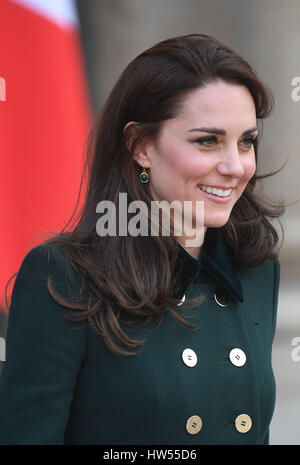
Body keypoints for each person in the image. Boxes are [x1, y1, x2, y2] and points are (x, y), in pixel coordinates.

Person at [0, 33, 285, 445]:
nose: (235, 166)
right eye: (207, 140)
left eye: (246, 142)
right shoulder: (63, 278)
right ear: (140, 146)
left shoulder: (255, 269)